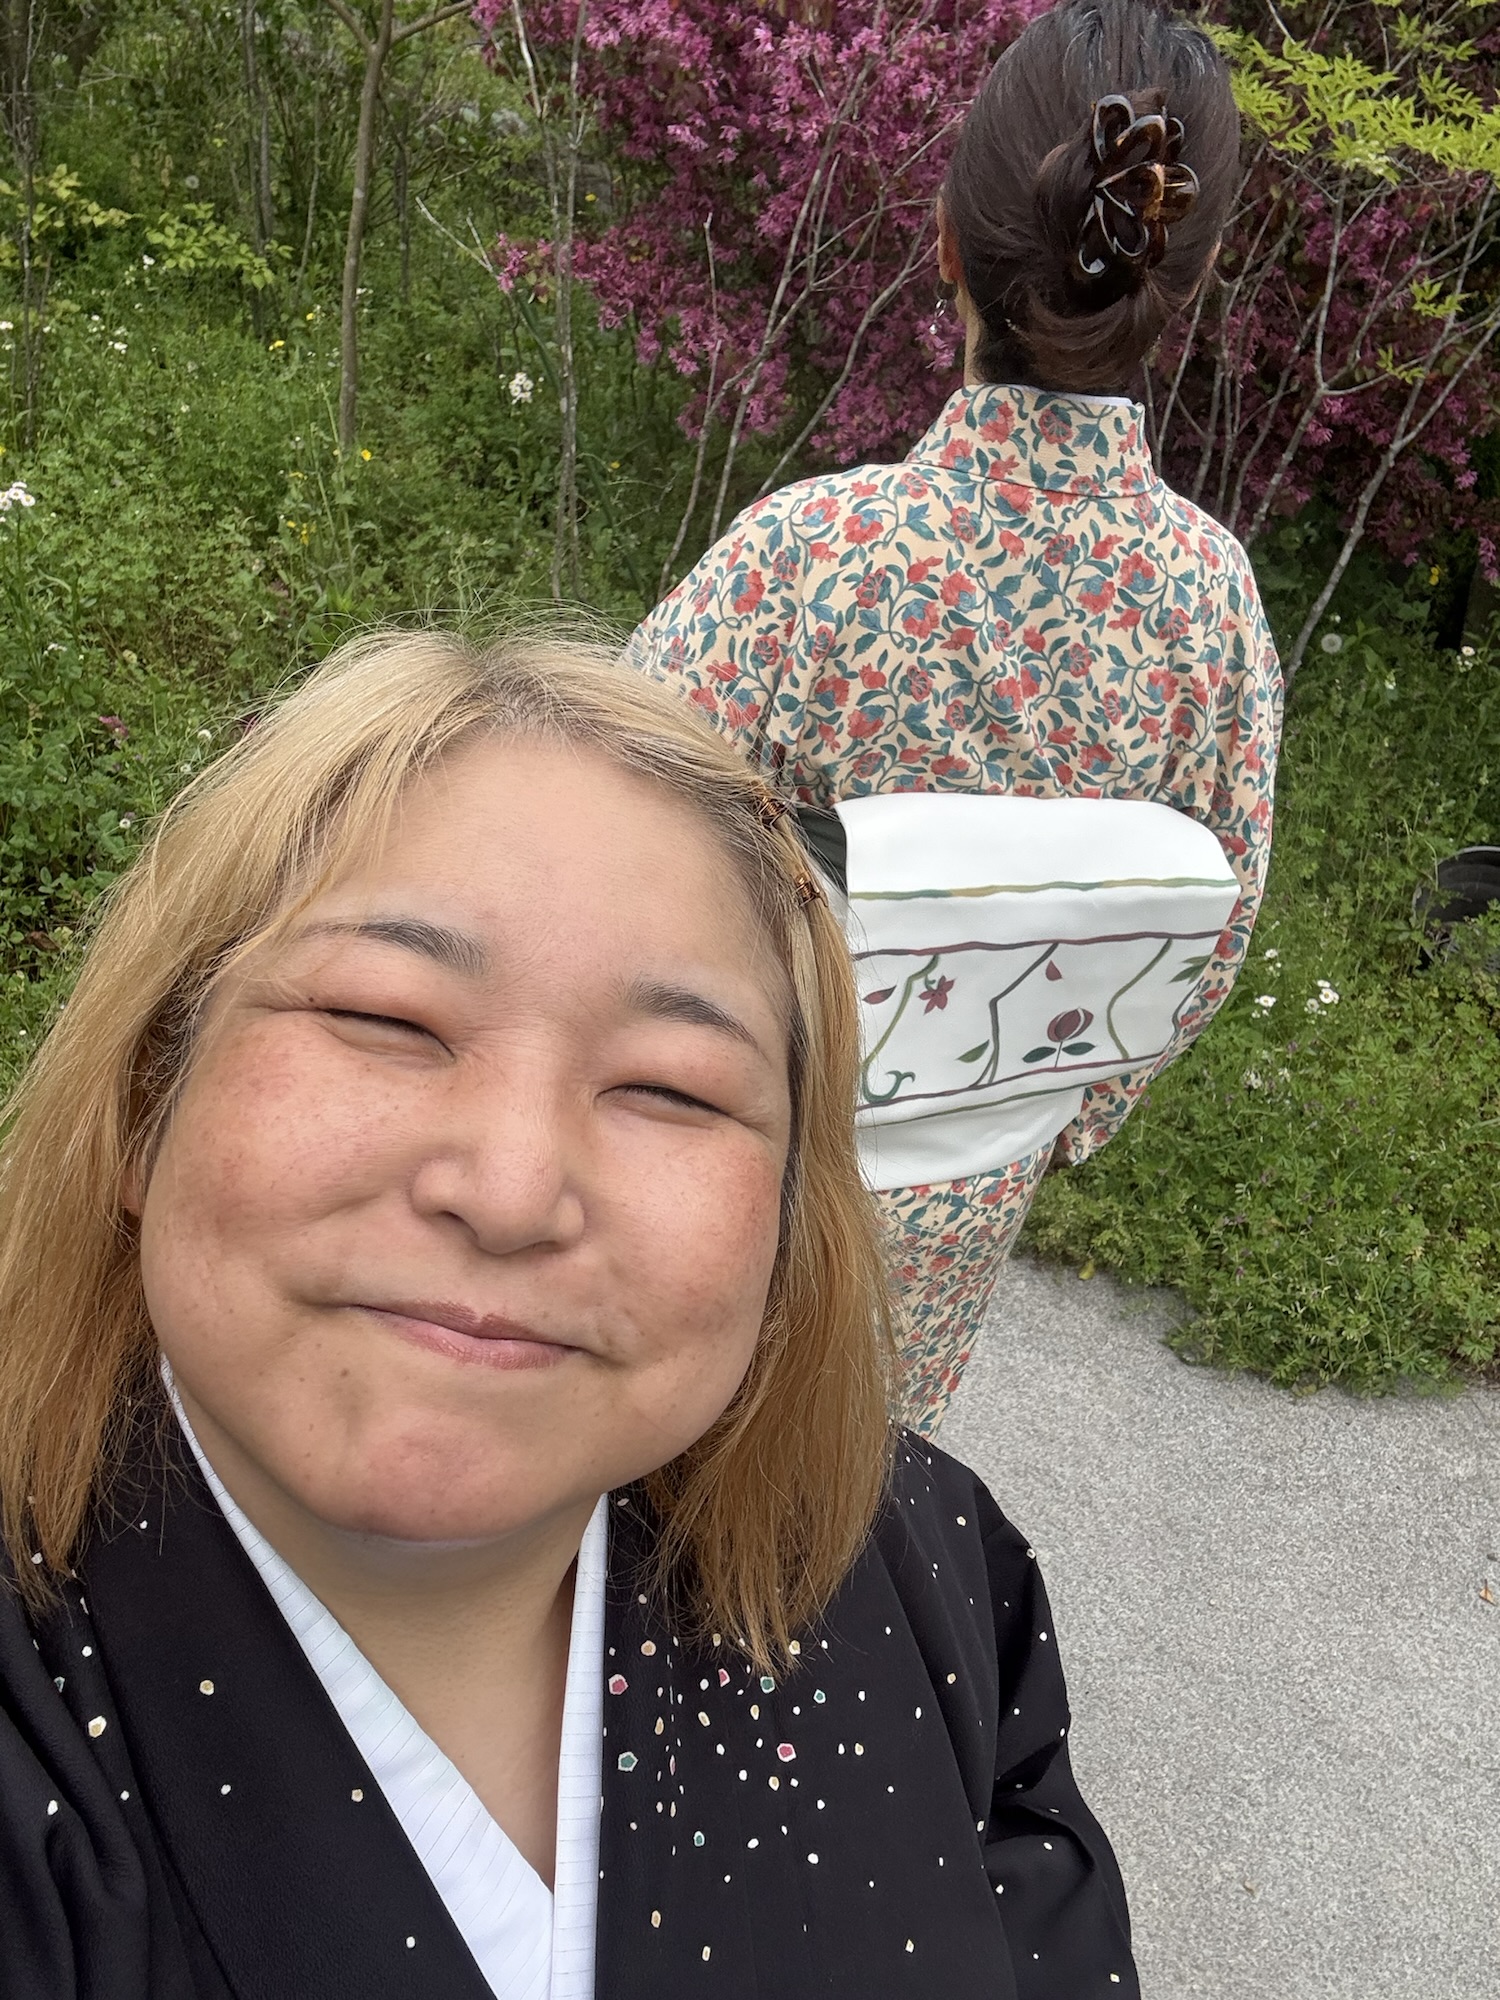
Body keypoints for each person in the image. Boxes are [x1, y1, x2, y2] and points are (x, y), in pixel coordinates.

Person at [0, 630, 1137, 1998]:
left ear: (790, 1220)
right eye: (385, 1018)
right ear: (144, 1108)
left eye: (672, 1088)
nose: (512, 1190)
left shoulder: (923, 1563)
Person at [627, 0, 1283, 1434]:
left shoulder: (811, 559)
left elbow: (605, 836)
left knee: (666, 1470)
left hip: (733, 1171)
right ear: (1182, 285)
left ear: (943, 245)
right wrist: (1049, 1107)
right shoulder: (1209, 606)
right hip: (969, 1195)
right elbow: (1210, 924)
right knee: (861, 1477)